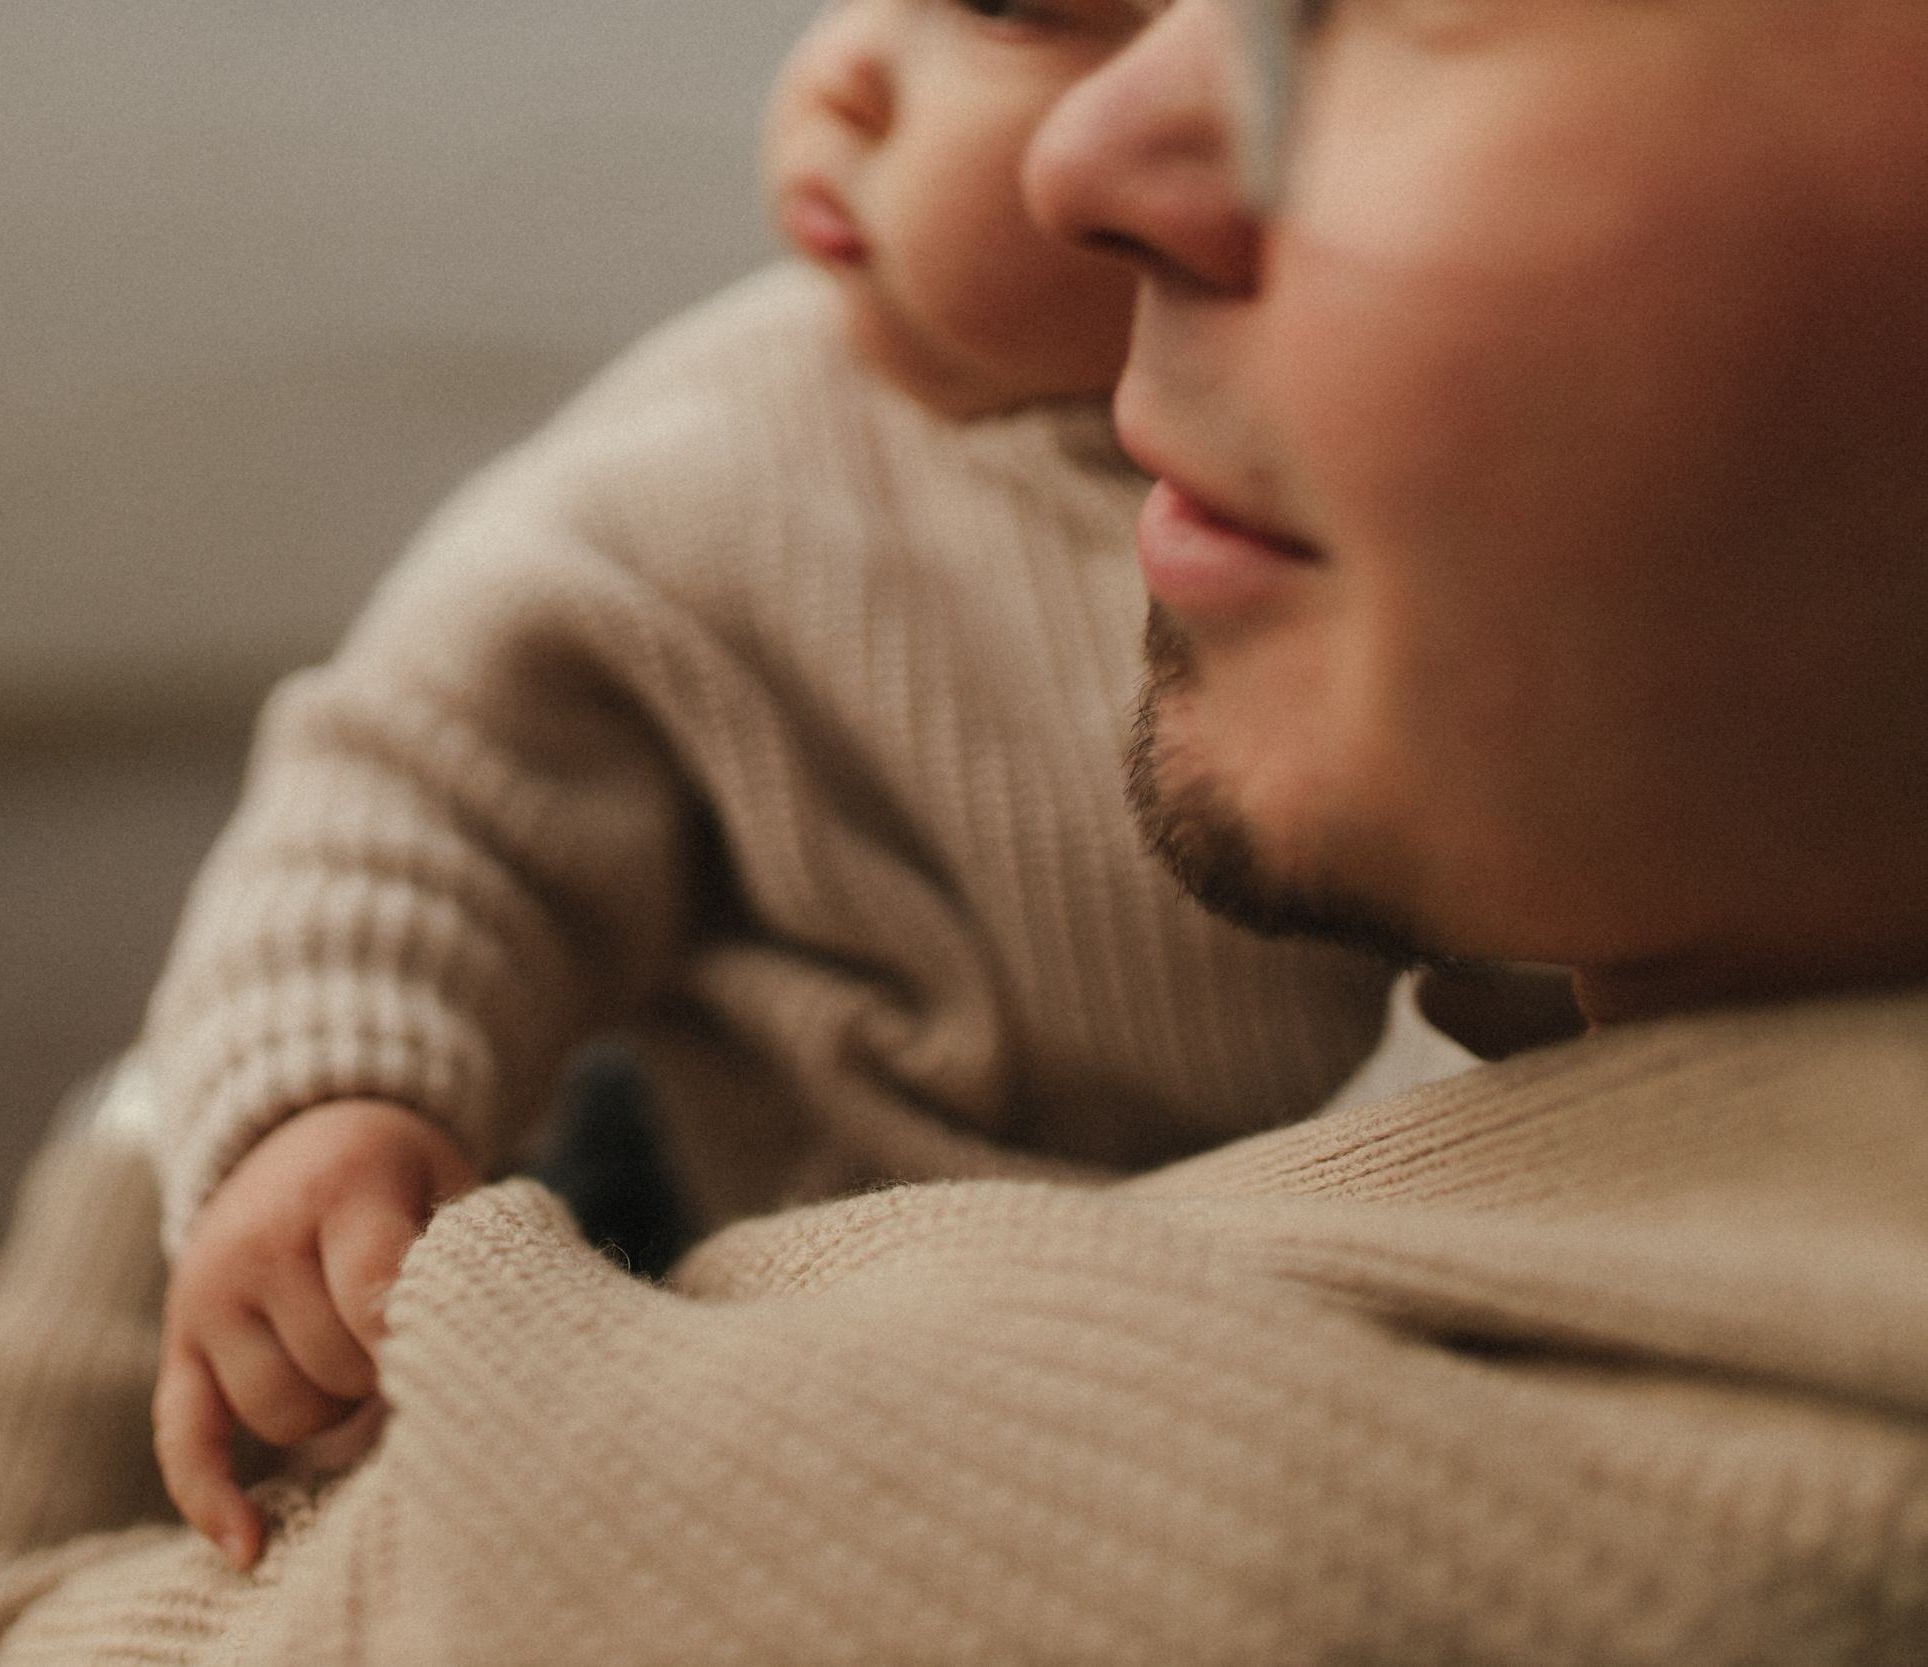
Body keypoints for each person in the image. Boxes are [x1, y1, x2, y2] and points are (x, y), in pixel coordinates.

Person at [0, 0, 1928, 1661]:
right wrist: (290, 1096)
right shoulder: (711, 456)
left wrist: (104, 1191)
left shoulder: (899, 1515)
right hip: (756, 1144)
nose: (1099, 142)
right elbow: (407, 783)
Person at [137, 0, 1401, 1568]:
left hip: (1234, 1296)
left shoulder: (1412, 498)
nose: (845, 69)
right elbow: (420, 793)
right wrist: (331, 1101)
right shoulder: (699, 463)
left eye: (1016, 11)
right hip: (774, 1244)